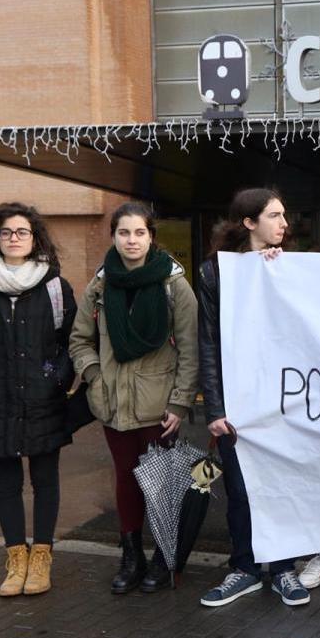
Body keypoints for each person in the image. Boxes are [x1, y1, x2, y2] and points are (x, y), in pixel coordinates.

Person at [68, 202, 199, 595]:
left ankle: (163, 556)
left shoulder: (173, 284)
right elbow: (79, 340)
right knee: (125, 479)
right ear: (114, 237)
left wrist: (179, 403)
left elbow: (191, 350)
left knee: (160, 484)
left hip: (159, 408)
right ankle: (131, 556)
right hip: (113, 404)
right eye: (124, 233)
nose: (131, 240)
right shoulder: (101, 284)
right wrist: (93, 377)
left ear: (151, 236)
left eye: (139, 233)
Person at [197, 188, 316, 607]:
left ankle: (283, 569)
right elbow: (208, 343)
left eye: (284, 216)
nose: (284, 224)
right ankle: (244, 569)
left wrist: (276, 277)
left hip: (283, 400)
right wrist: (215, 409)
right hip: (238, 403)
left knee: (281, 486)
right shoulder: (216, 272)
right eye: (274, 216)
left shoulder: (292, 266)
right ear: (249, 223)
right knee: (240, 490)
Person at [0, 202, 77, 597]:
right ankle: (15, 558)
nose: (14, 238)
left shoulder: (54, 285)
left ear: (34, 237)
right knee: (6, 484)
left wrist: (57, 378)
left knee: (45, 481)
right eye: (7, 232)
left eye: (22, 232)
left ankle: (41, 558)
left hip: (43, 399)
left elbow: (72, 341)